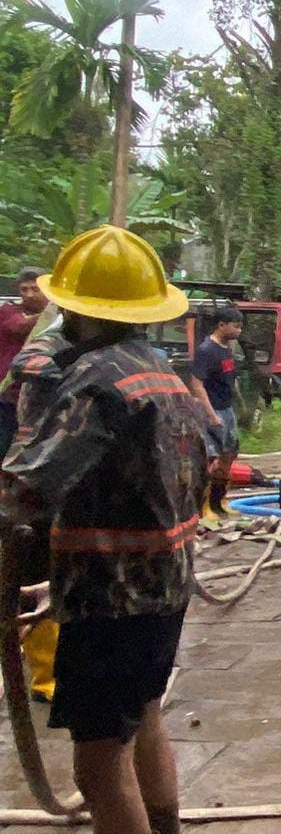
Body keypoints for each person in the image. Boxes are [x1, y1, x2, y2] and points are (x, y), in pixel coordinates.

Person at [0, 225, 206, 834]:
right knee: (145, 717)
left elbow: (26, 488)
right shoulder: (161, 372)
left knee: (98, 769)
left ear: (76, 309)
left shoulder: (95, 380)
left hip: (111, 600)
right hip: (165, 587)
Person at [6, 307, 66, 705]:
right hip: (37, 480)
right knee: (37, 573)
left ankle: (54, 670)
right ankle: (46, 677)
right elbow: (27, 362)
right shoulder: (49, 346)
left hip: (65, 478)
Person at [188, 307, 243, 521]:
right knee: (211, 459)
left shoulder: (226, 348)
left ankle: (219, 502)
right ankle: (203, 507)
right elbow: (197, 384)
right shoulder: (206, 350)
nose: (239, 331)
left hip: (227, 409)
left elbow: (229, 378)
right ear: (221, 325)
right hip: (213, 410)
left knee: (229, 454)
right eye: (235, 326)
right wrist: (211, 414)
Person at [0, 267, 49, 457]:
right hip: (10, 395)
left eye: (35, 289)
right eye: (24, 289)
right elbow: (19, 326)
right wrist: (52, 311)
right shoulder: (8, 310)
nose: (29, 294)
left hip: (40, 395)